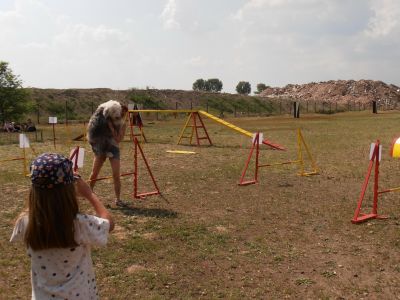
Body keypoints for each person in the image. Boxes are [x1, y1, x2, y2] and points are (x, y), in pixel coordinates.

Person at [10, 153, 114, 299]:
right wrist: (89, 194)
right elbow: (109, 223)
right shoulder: (80, 224)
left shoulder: (25, 222)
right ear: (69, 190)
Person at [87, 100, 128, 207]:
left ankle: (118, 199)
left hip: (113, 148)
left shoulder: (122, 124)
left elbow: (118, 139)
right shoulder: (104, 118)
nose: (121, 114)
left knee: (116, 174)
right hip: (100, 147)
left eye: (123, 113)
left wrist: (111, 128)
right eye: (120, 111)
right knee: (95, 172)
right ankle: (89, 194)